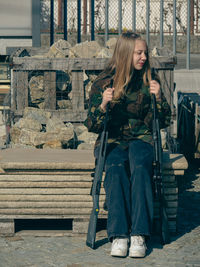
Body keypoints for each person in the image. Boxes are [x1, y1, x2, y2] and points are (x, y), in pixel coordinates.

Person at [84, 31, 171, 258]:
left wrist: (159, 99)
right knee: (115, 169)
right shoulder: (104, 82)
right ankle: (119, 234)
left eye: (145, 53)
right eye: (139, 53)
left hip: (141, 138)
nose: (144, 57)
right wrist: (103, 104)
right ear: (125, 54)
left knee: (141, 167)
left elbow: (163, 122)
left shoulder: (150, 81)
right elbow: (92, 124)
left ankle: (139, 234)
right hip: (113, 140)